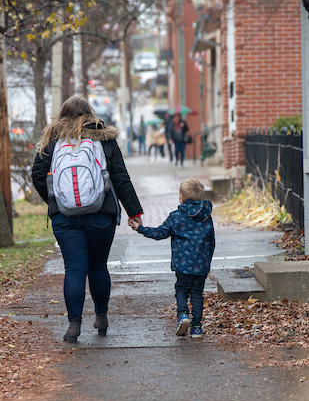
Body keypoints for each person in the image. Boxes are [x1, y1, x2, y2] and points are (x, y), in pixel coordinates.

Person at [31, 95, 143, 343]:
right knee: (98, 267)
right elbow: (120, 177)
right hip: (101, 213)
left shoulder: (52, 140)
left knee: (74, 268)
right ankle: (101, 317)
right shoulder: (103, 138)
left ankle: (74, 325)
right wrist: (134, 212)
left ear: (62, 114)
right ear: (90, 114)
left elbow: (37, 175)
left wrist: (56, 201)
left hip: (64, 217)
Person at [129, 178, 215, 338]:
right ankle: (197, 328)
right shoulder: (206, 216)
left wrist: (140, 228)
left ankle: (183, 316)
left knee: (181, 289)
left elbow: (160, 233)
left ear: (181, 198)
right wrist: (207, 262)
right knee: (197, 293)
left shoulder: (176, 216)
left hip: (183, 264)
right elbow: (211, 241)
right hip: (201, 264)